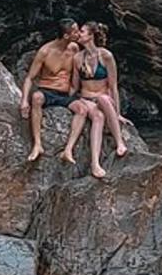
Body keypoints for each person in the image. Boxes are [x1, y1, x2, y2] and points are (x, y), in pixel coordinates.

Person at [19, 18, 102, 162]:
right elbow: (29, 78)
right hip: (47, 91)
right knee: (36, 98)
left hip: (65, 94)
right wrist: (24, 101)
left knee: (82, 110)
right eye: (75, 31)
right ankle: (37, 144)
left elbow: (83, 70)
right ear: (66, 36)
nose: (78, 33)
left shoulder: (74, 48)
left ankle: (68, 149)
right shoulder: (45, 51)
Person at [61, 21, 129, 177]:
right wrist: (59, 96)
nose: (79, 34)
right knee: (98, 117)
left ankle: (120, 142)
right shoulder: (77, 58)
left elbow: (113, 87)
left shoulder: (106, 55)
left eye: (82, 32)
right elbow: (75, 86)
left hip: (105, 98)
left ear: (91, 35)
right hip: (87, 99)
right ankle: (95, 164)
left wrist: (117, 113)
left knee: (104, 99)